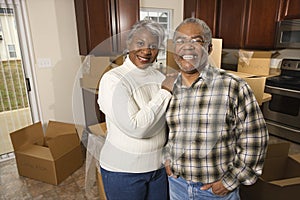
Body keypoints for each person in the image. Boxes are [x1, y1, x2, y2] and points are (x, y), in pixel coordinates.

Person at [164, 18, 269, 200]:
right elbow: (171, 132)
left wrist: (230, 181)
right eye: (180, 41)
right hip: (177, 185)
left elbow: (255, 141)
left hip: (215, 192)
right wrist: (167, 159)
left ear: (209, 49)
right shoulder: (168, 87)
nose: (187, 47)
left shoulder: (233, 86)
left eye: (196, 41)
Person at [97, 20, 175, 200]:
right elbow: (136, 128)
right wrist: (165, 92)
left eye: (153, 46)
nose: (146, 51)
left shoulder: (160, 76)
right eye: (140, 43)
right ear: (128, 44)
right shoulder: (113, 80)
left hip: (158, 169)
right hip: (124, 172)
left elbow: (166, 123)